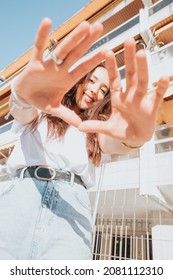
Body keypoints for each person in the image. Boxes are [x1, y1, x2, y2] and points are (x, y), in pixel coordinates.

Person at [0, 18, 169, 260]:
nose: (95, 91)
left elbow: (113, 143)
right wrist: (21, 94)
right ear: (80, 80)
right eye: (92, 81)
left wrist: (133, 139)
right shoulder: (44, 107)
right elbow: (21, 110)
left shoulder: (95, 129)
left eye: (103, 90)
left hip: (72, 210)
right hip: (21, 198)